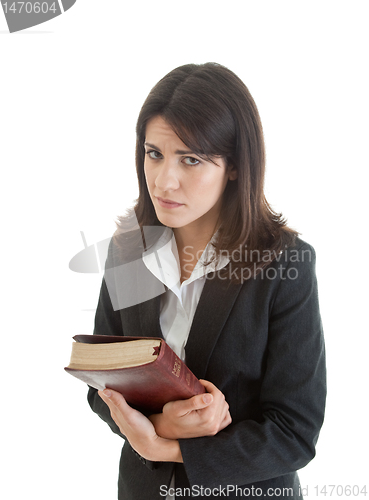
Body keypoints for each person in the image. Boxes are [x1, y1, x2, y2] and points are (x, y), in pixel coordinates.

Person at [87, 62, 326, 499]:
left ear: (234, 167)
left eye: (191, 159)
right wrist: (155, 425)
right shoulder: (129, 252)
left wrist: (168, 445)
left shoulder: (281, 265)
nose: (164, 180)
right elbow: (101, 380)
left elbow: (295, 430)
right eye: (154, 153)